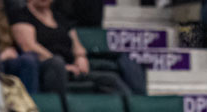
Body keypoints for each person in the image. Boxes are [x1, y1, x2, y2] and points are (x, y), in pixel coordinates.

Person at [9, 0, 145, 95]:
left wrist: (81, 57)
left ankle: (138, 105)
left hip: (72, 67)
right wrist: (63, 65)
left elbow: (76, 43)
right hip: (48, 67)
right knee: (56, 63)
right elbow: (29, 46)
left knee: (112, 79)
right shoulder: (21, 15)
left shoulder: (59, 17)